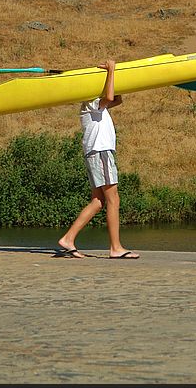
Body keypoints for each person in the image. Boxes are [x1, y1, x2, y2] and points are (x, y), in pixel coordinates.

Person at [56, 60, 139, 259]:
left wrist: (118, 77)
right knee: (113, 198)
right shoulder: (90, 103)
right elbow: (109, 96)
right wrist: (111, 70)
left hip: (97, 152)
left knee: (98, 201)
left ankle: (68, 238)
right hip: (100, 152)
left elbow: (117, 99)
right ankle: (115, 247)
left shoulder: (97, 106)